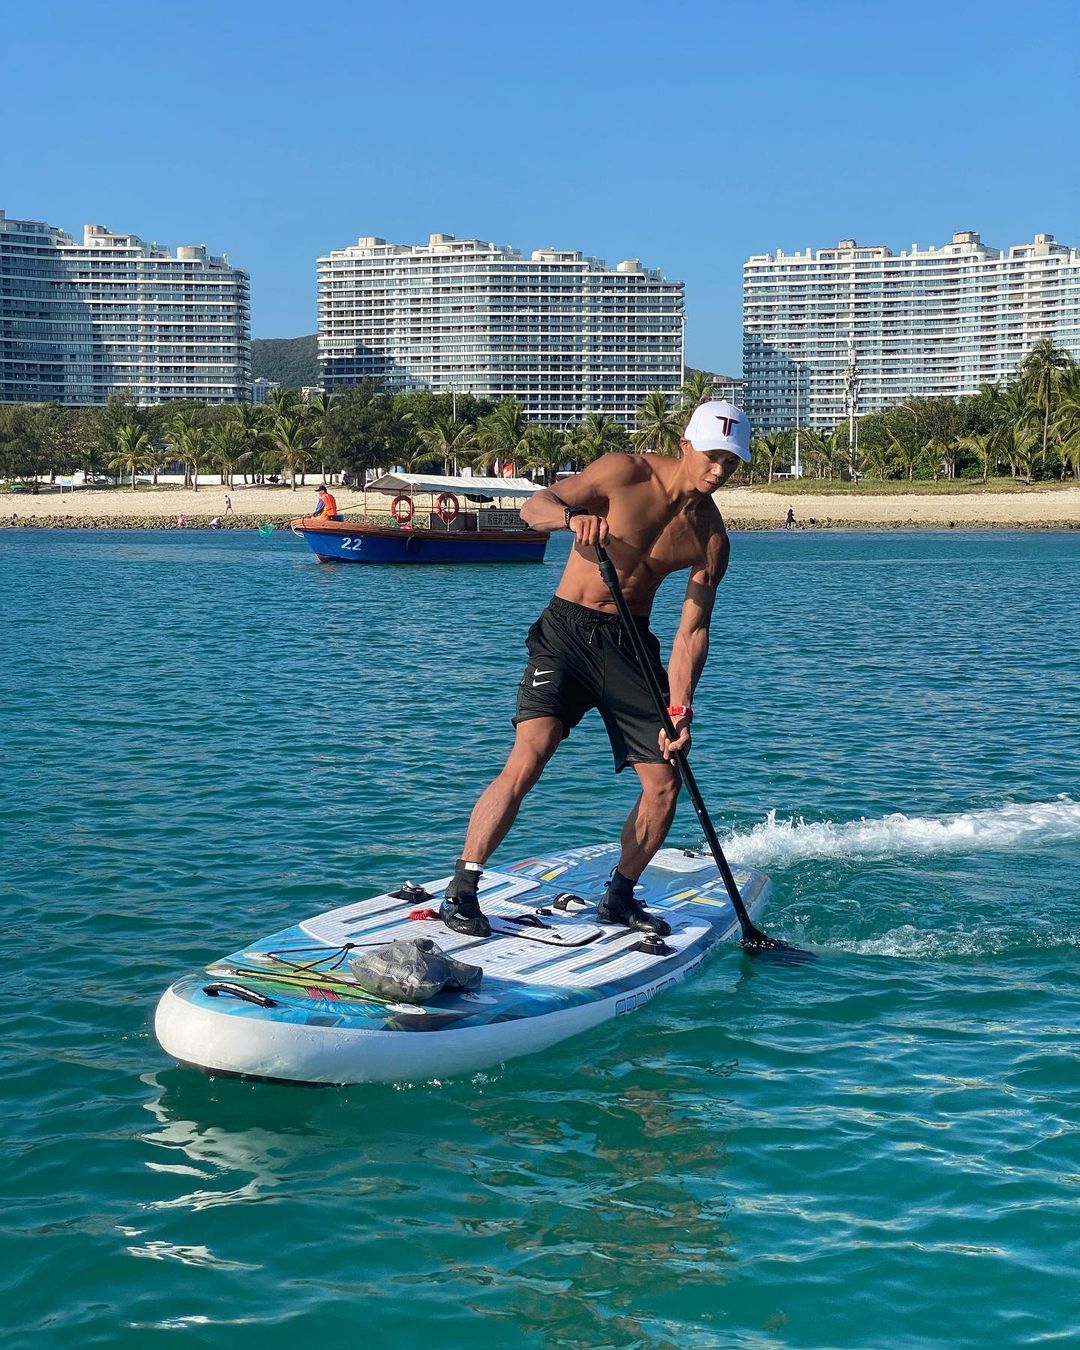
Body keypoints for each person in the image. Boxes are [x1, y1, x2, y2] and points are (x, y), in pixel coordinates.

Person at [440, 400, 752, 939]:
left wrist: (680, 708)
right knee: (531, 753)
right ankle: (462, 890)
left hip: (630, 645)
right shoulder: (622, 471)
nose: (718, 472)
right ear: (685, 445)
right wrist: (569, 518)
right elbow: (533, 507)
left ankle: (618, 896)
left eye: (731, 462)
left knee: (664, 781)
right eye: (712, 456)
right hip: (566, 632)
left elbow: (691, 631)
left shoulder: (710, 537)